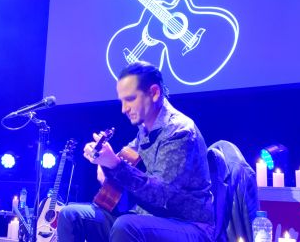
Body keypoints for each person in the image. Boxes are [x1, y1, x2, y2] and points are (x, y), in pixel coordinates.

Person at [57, 61, 215, 242]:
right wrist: (104, 164)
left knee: (126, 226)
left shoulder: (180, 131)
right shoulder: (143, 132)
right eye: (122, 101)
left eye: (130, 99)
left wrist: (113, 164)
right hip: (146, 220)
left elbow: (161, 195)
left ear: (154, 93)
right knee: (71, 215)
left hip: (188, 225)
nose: (124, 109)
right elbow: (122, 173)